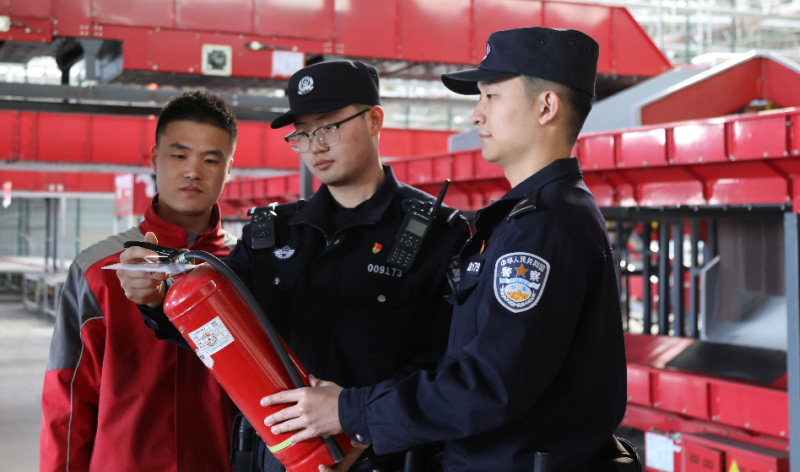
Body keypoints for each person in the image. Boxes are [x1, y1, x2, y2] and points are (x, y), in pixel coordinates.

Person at [260, 28, 629, 472]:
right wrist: (362, 423)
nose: (477, 114)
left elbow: (488, 385)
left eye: (490, 96)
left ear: (546, 106)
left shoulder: (541, 228)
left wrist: (350, 412)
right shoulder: (537, 217)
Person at [118, 60, 471, 472]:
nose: (315, 146)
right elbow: (220, 324)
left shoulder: (438, 235)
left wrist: (360, 424)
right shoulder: (272, 233)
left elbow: (446, 363)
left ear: (374, 120)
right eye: (302, 134)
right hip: (277, 456)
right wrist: (158, 299)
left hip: (382, 458)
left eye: (328, 127)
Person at [40, 91, 240, 472]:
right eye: (179, 156)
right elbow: (67, 396)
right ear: (154, 159)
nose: (193, 171)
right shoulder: (97, 271)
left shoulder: (245, 269)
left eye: (211, 159)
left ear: (229, 167)